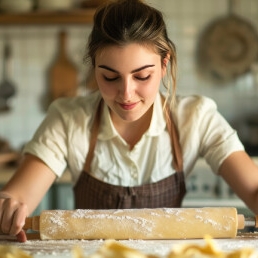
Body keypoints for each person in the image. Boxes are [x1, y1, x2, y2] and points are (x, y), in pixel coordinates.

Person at [1, 0, 258, 242]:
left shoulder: (197, 117)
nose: (126, 94)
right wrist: (6, 207)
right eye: (110, 78)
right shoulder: (68, 119)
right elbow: (17, 196)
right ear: (94, 68)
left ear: (164, 64)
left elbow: (254, 188)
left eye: (142, 76)